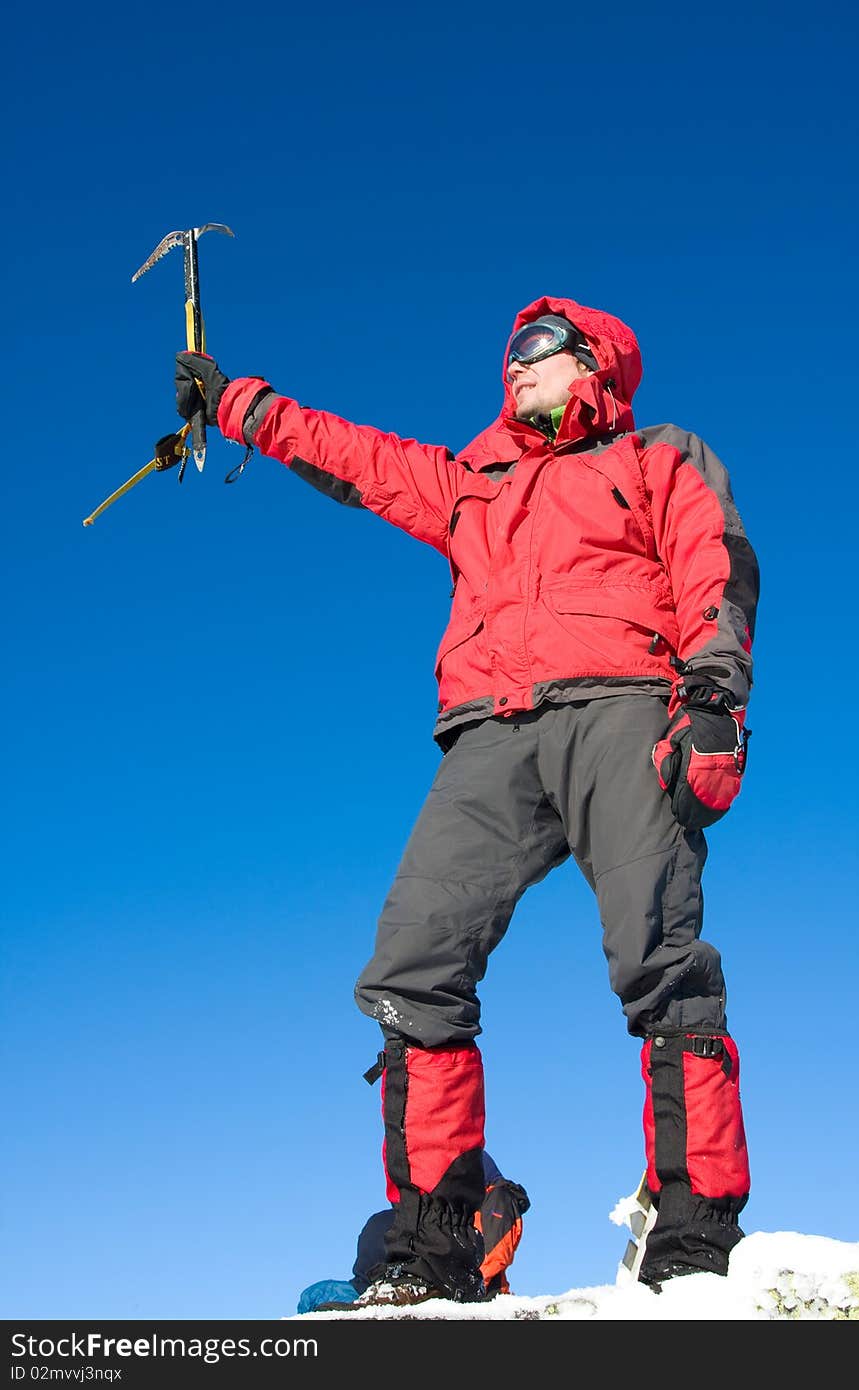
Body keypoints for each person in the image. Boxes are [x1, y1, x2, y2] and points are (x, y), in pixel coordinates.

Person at [175, 294, 759, 1305]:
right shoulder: (472, 479)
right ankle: (434, 1244)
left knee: (659, 960)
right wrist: (234, 402)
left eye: (538, 349)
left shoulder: (658, 454)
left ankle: (693, 1232)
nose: (514, 364)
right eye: (509, 352)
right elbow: (354, 458)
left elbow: (714, 565)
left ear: (595, 364)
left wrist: (709, 698)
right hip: (490, 729)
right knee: (413, 962)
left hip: (620, 704)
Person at [297, 1152, 529, 1313]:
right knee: (314, 1295)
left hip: (455, 1286)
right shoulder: (421, 1211)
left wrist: (457, 1289)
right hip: (390, 1280)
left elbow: (491, 1259)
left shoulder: (495, 1200)